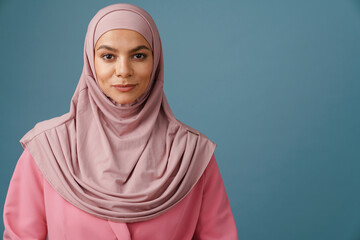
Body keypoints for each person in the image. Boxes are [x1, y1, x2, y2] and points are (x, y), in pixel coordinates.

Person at [3, 3, 238, 239]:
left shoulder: (192, 154)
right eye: (108, 56)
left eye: (138, 55)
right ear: (90, 61)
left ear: (155, 62)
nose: (123, 70)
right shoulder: (48, 149)